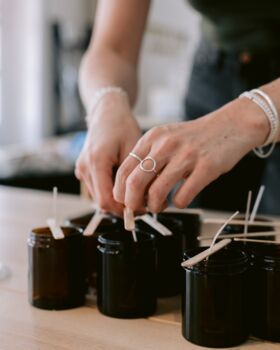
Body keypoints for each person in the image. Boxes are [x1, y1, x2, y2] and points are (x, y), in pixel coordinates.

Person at [75, 0, 280, 217]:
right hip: (215, 76)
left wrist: (249, 117)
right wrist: (106, 105)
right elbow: (113, 48)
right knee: (198, 238)